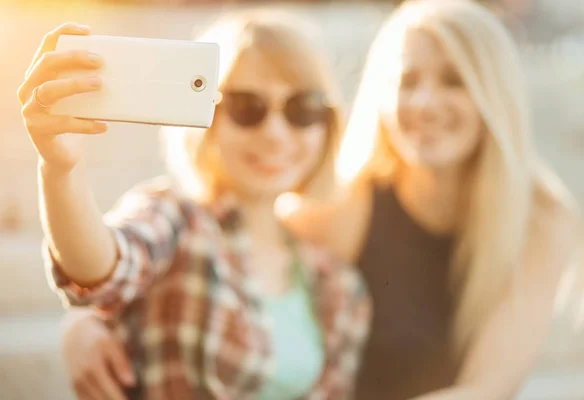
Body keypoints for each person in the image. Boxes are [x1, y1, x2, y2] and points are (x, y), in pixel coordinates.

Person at [57, 0, 584, 399]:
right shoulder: (349, 206)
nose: (426, 102)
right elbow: (215, 248)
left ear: (493, 92)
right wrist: (87, 320)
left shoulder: (541, 218)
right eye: (408, 81)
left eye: (454, 81)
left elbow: (491, 387)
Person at [17, 11, 371, 400]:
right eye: (246, 107)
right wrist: (60, 169)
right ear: (207, 118)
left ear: (328, 124)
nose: (275, 133)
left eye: (302, 108)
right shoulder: (174, 217)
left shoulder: (339, 286)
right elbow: (102, 269)